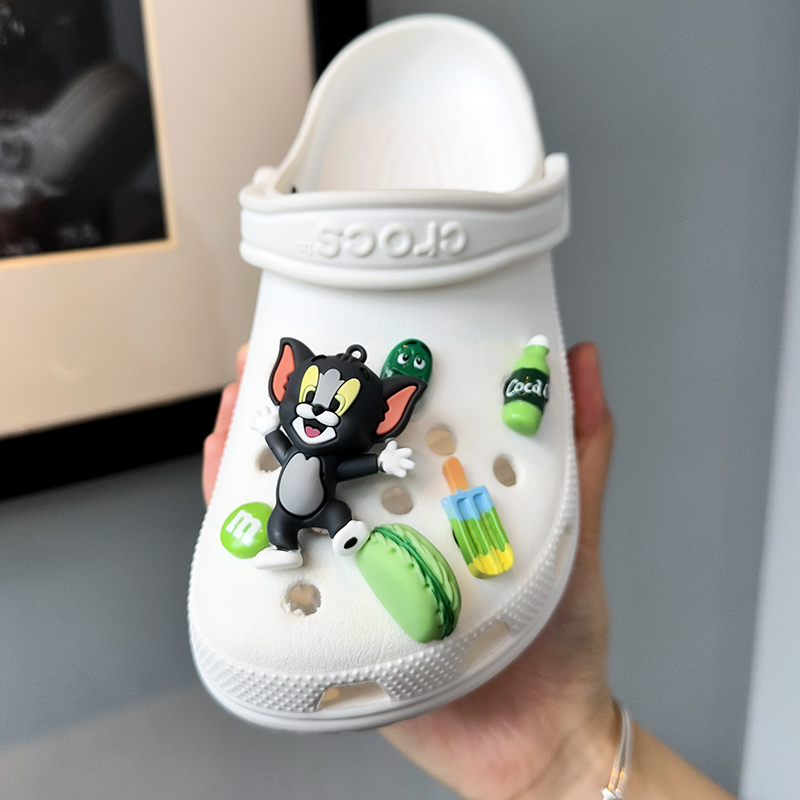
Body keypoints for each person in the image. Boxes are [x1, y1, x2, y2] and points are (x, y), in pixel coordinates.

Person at [203, 342, 737, 800]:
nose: (317, 415)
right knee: (283, 524)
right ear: (286, 383)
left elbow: (350, 461)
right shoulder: (299, 437)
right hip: (293, 506)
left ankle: (341, 534)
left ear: (386, 418)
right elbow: (286, 445)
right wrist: (565, 758)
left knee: (336, 517)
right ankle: (286, 545)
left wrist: (569, 756)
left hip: (332, 506)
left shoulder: (350, 444)